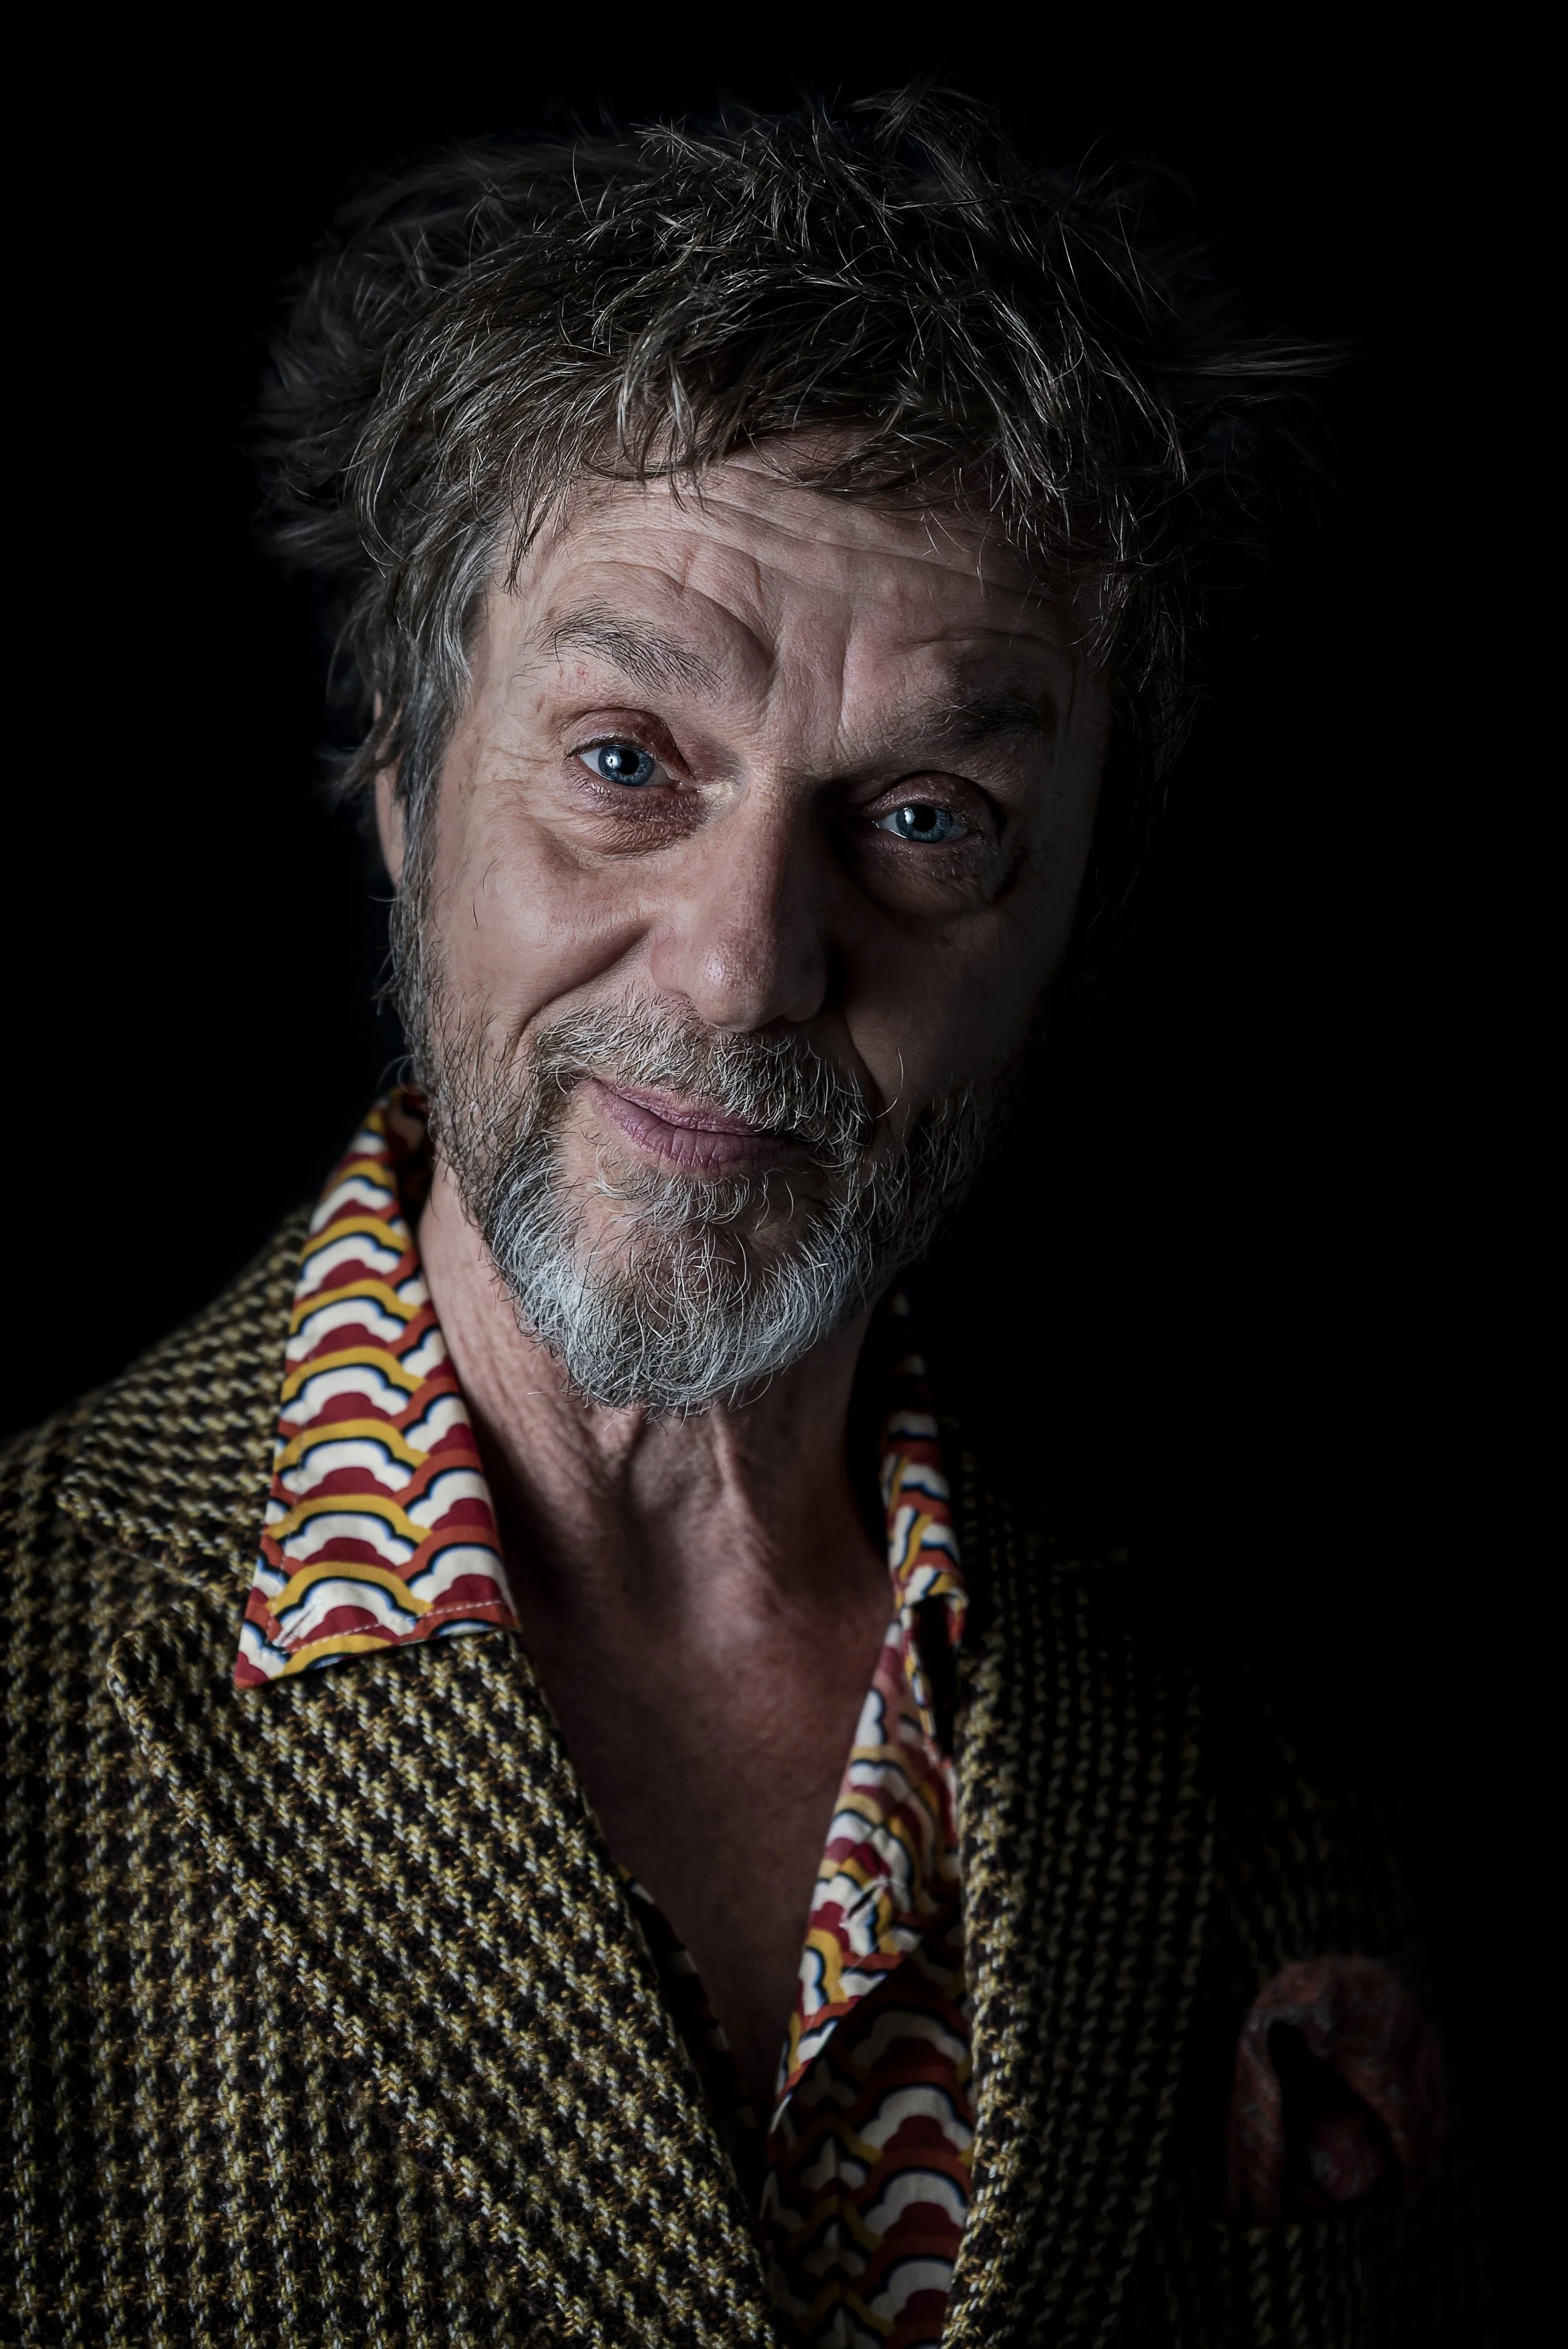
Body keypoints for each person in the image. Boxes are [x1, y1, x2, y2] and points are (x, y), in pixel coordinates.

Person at [1, 91, 1487, 2346]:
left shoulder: (1275, 1731)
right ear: (408, 792)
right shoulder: (16, 1670)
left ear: (1069, 927)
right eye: (622, 763)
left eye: (923, 815)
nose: (739, 965)